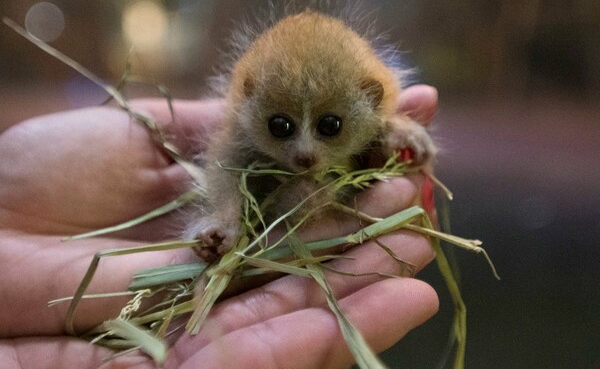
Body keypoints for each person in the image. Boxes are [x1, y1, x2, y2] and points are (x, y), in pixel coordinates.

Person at [0, 85, 440, 369]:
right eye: (282, 127)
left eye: (329, 126)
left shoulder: (367, 110)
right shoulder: (238, 130)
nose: (305, 150)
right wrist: (225, 223)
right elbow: (224, 167)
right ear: (249, 103)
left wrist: (391, 134)